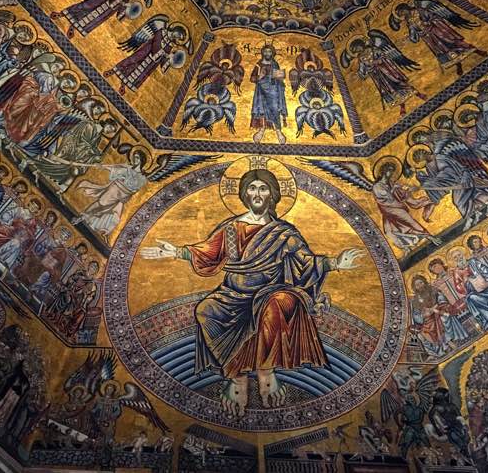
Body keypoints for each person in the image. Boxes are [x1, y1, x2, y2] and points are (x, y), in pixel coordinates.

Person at [140, 168, 363, 416]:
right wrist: (175, 252)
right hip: (233, 294)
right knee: (205, 310)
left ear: (272, 195)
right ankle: (237, 375)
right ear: (245, 194)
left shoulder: (283, 233)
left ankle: (266, 371)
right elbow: (209, 253)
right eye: (252, 188)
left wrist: (335, 263)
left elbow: (305, 262)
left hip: (272, 291)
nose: (257, 194)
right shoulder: (232, 229)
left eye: (263, 189)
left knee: (277, 303)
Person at [250, 45, 288, 144]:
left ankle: (278, 132)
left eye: (269, 51)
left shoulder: (275, 64)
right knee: (262, 109)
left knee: (275, 109)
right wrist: (260, 76)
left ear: (272, 53)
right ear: (263, 53)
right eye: (265, 51)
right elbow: (252, 78)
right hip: (261, 90)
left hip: (273, 91)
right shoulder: (259, 65)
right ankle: (261, 130)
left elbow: (278, 77)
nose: (267, 53)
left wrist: (280, 78)